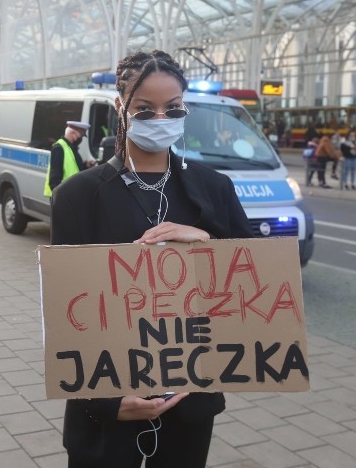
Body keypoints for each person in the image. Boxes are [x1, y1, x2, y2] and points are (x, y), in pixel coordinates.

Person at [50, 50, 253, 468]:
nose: (161, 119)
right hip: (107, 410)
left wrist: (205, 242)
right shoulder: (78, 196)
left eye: (173, 108)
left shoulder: (213, 189)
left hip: (190, 401)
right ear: (120, 108)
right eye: (145, 109)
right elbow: (64, 310)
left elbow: (255, 284)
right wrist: (104, 401)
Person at [44, 120, 95, 196]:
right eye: (81, 135)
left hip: (70, 194)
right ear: (73, 133)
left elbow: (74, 168)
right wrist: (61, 197)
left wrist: (86, 165)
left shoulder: (71, 148)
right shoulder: (59, 148)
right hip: (62, 197)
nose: (81, 138)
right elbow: (54, 179)